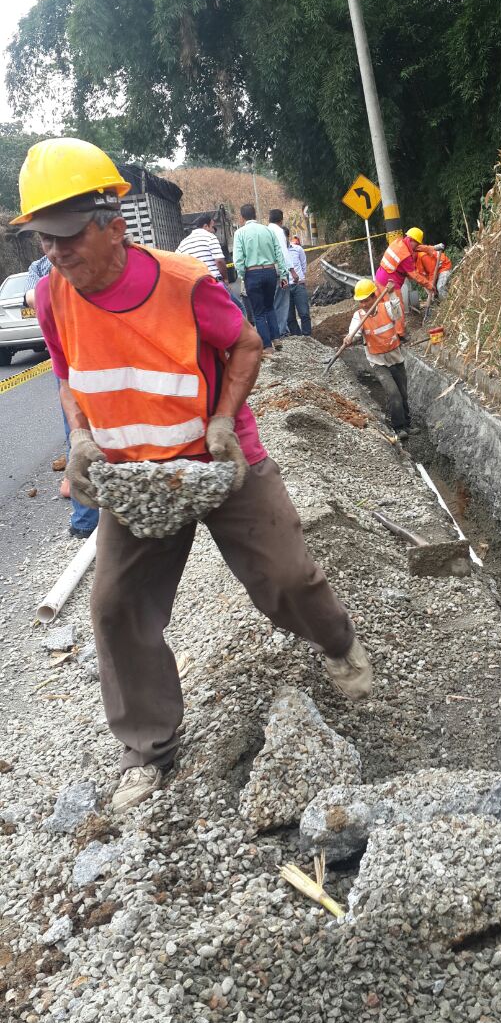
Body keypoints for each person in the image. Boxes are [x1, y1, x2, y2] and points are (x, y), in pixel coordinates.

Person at [13, 137, 372, 813]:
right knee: (115, 607)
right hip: (135, 478)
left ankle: (338, 642)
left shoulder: (182, 283)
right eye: (43, 239)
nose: (54, 252)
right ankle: (148, 748)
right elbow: (66, 376)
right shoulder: (53, 297)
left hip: (217, 460)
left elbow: (246, 342)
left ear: (112, 226)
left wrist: (221, 420)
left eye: (66, 237)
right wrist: (84, 435)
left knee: (286, 577)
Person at [25, 253, 100, 538]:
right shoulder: (43, 270)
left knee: (79, 435)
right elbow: (34, 298)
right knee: (80, 437)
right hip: (74, 354)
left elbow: (32, 298)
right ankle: (87, 520)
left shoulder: (41, 270)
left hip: (76, 354)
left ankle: (87, 520)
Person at [344, 277, 410, 440]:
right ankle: (398, 427)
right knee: (393, 393)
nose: (364, 305)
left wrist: (392, 293)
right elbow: (354, 331)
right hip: (378, 362)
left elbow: (398, 313)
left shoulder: (386, 308)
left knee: (403, 393)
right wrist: (349, 337)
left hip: (395, 357)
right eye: (361, 302)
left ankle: (408, 423)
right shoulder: (359, 316)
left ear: (374, 297)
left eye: (366, 300)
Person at [232, 204, 288, 356]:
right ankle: (277, 338)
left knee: (258, 312)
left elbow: (238, 259)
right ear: (255, 215)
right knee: (270, 306)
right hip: (270, 271)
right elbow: (279, 253)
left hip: (252, 273)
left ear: (242, 217)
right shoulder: (268, 230)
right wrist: (283, 274)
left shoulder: (240, 233)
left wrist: (243, 275)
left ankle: (267, 346)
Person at [375, 226, 436, 311]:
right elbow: (414, 275)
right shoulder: (405, 255)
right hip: (390, 284)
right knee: (397, 312)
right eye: (417, 243)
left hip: (379, 278)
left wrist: (431, 248)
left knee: (380, 310)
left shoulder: (399, 242)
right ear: (411, 240)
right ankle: (397, 324)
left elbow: (416, 247)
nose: (417, 246)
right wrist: (429, 285)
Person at [177, 212, 228, 282]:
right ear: (206, 226)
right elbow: (219, 261)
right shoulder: (210, 237)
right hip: (213, 282)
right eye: (212, 227)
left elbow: (177, 263)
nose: (213, 230)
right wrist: (225, 279)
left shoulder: (183, 243)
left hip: (195, 285)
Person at [267, 208, 292, 335]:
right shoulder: (279, 231)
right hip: (280, 271)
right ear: (281, 220)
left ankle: (275, 330)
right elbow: (283, 253)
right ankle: (280, 331)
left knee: (271, 302)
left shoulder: (265, 230)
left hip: (267, 271)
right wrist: (291, 271)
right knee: (281, 302)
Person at [284, 227, 312, 337]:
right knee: (289, 317)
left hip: (298, 285)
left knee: (304, 313)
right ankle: (297, 338)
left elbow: (303, 265)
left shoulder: (297, 249)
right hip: (285, 287)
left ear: (287, 236)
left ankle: (307, 337)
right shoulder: (276, 252)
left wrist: (301, 278)